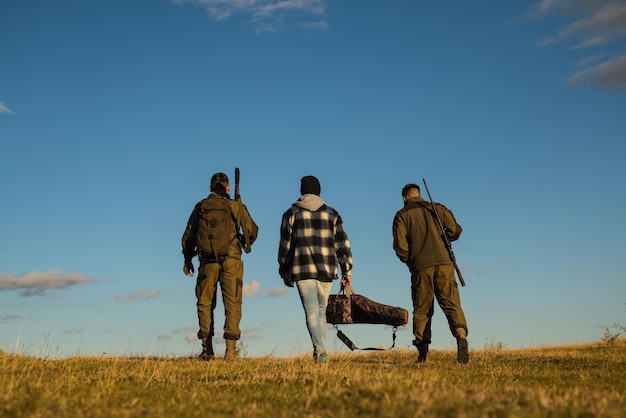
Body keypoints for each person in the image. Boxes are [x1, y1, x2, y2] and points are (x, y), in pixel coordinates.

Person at [182, 172, 258, 360]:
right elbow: (252, 231)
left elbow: (189, 236)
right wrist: (240, 240)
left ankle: (207, 350)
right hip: (231, 259)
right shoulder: (235, 206)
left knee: (205, 303)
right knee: (232, 302)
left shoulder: (201, 207)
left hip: (207, 261)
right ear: (228, 187)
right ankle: (230, 352)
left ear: (210, 188)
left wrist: (188, 259)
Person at [278, 175, 353, 364]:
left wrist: (284, 270)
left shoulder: (291, 213)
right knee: (320, 310)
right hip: (327, 268)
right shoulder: (332, 214)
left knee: (312, 310)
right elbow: (342, 244)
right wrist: (346, 270)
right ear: (319, 191)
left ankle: (320, 351)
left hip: (301, 268)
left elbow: (285, 246)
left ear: (302, 191)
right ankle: (320, 353)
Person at [392, 183, 469, 364]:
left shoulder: (401, 215)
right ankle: (461, 336)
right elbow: (456, 231)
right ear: (419, 194)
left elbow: (400, 247)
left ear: (405, 198)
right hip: (444, 263)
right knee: (451, 304)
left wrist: (411, 261)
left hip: (420, 268)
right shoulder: (438, 208)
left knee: (422, 310)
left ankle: (423, 353)